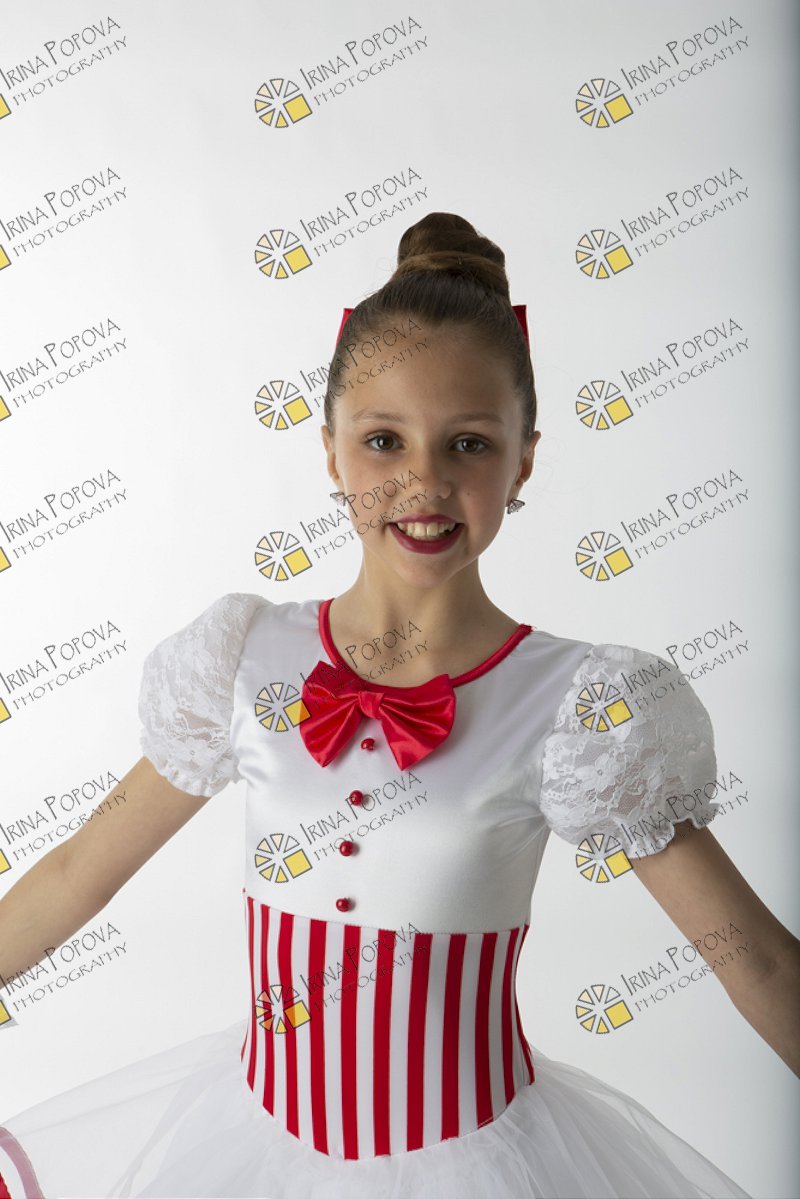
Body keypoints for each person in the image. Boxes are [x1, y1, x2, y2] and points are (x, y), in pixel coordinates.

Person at [0, 212, 797, 1199]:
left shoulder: (578, 709)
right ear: (332, 452)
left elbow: (753, 959)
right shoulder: (243, 662)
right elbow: (76, 873)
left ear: (524, 459)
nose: (424, 481)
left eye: (469, 443)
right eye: (384, 440)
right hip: (251, 1143)